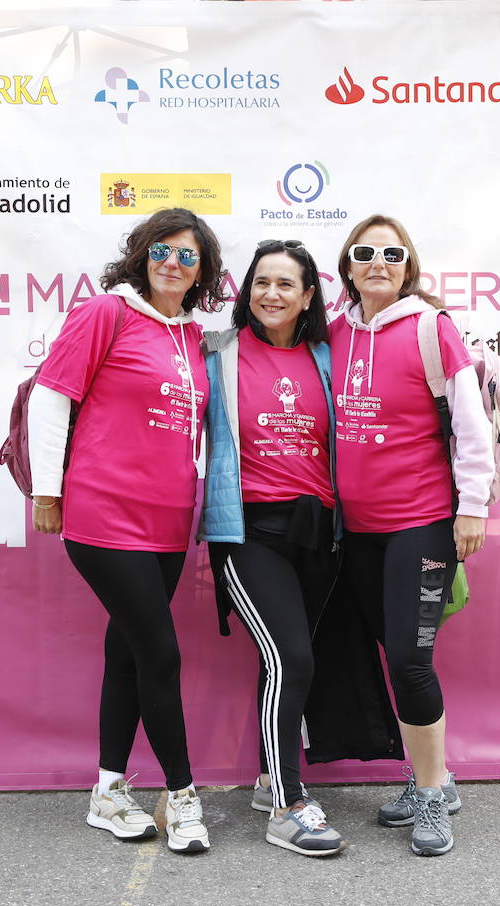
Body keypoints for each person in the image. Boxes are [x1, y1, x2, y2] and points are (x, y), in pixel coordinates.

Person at [28, 207, 224, 852]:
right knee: (160, 653)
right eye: (163, 250)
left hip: (167, 521)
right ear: (143, 255)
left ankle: (108, 794)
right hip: (103, 514)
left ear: (203, 271)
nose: (174, 263)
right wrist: (48, 491)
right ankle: (183, 798)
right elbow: (51, 396)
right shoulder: (103, 314)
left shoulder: (194, 337)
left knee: (128, 652)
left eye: (188, 255)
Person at [330, 215, 494, 857]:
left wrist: (471, 507)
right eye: (364, 252)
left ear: (408, 265)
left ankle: (430, 794)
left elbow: (471, 426)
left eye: (391, 253)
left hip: (421, 520)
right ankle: (436, 778)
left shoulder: (432, 328)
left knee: (409, 659)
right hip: (356, 530)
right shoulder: (334, 334)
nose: (377, 262)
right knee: (387, 647)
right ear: (348, 265)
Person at [200, 239, 344, 857]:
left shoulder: (328, 355)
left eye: (287, 284)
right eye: (261, 282)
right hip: (250, 533)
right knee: (293, 658)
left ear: (309, 295)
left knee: (286, 660)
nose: (271, 294)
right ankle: (287, 806)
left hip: (320, 533)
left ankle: (268, 778)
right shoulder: (219, 353)